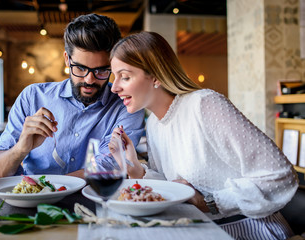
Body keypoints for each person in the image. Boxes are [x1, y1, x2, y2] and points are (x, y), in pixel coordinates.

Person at [108, 31, 298, 240]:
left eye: (124, 77)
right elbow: (176, 187)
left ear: (155, 76)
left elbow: (281, 175)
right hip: (199, 230)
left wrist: (210, 202)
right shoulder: (153, 123)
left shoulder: (204, 104)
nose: (115, 87)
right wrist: (136, 170)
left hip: (248, 231)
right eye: (115, 77)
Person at [0, 14, 145, 180]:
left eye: (101, 70)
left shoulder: (126, 104)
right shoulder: (32, 96)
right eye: (81, 68)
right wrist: (20, 149)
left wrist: (51, 189)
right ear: (67, 59)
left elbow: (109, 166)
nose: (89, 80)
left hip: (95, 202)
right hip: (31, 202)